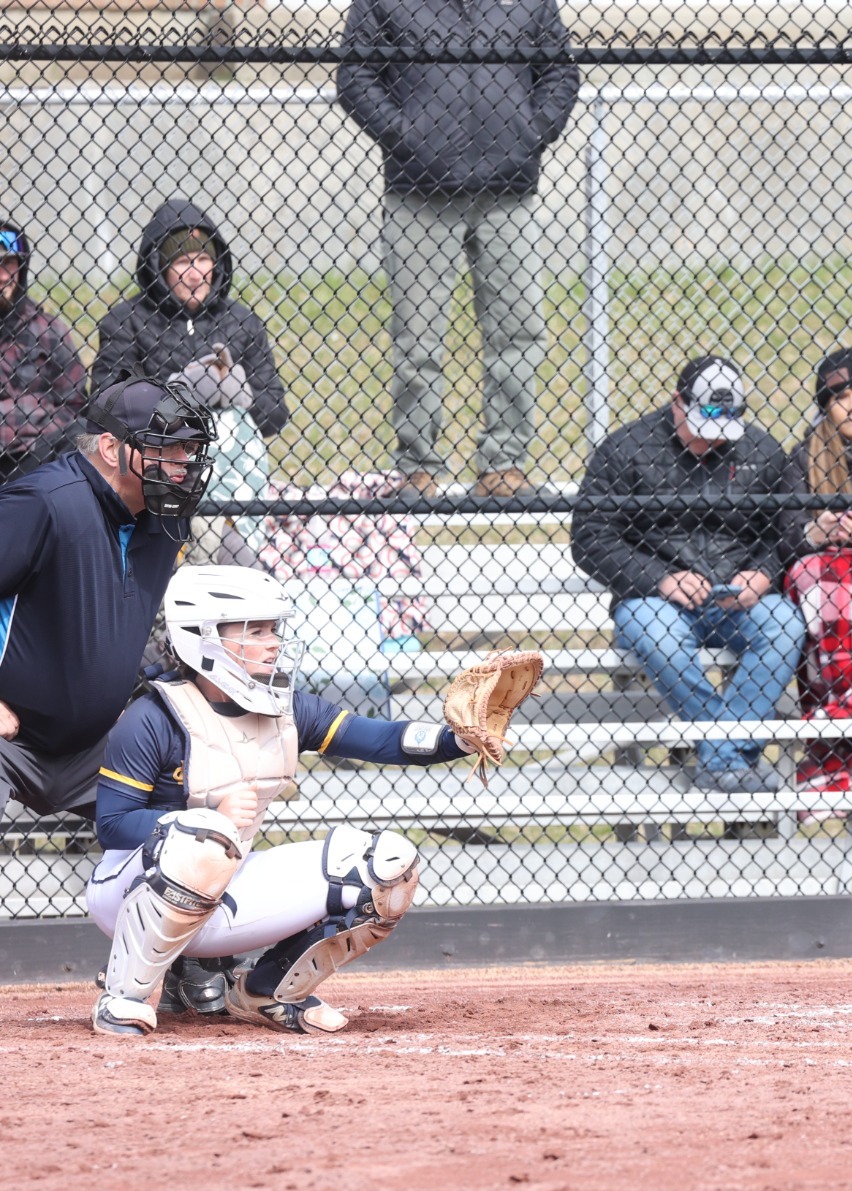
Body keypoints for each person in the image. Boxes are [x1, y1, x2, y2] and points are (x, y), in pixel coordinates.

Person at [86, 565, 480, 1037]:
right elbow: (111, 824)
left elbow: (378, 739)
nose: (272, 641)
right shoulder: (152, 716)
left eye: (273, 628)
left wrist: (459, 739)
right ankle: (123, 997)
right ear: (201, 637)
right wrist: (199, 819)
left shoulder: (284, 707)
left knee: (387, 865)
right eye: (255, 630)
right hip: (130, 891)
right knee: (201, 839)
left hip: (225, 890)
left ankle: (266, 990)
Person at [337, 0, 580, 499]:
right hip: (419, 191)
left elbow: (558, 73)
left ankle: (504, 464)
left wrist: (529, 134)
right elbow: (356, 77)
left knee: (518, 331)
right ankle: (418, 468)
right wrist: (408, 138)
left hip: (507, 191)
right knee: (417, 340)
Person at [572, 356, 806, 792]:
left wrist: (763, 575)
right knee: (657, 632)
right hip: (654, 601)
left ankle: (718, 756)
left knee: (786, 624)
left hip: (739, 598)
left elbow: (784, 535)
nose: (711, 441)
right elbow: (589, 539)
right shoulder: (625, 449)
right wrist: (660, 578)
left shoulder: (762, 451)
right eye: (701, 427)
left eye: (721, 432)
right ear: (678, 403)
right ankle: (728, 757)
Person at [0, 378, 215, 823]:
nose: (183, 463)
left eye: (189, 450)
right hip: (9, 746)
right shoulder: (44, 503)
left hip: (91, 748)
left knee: (197, 836)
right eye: (167, 448)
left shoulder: (167, 519)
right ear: (110, 447)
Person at [779, 349, 852, 795]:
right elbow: (786, 536)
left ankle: (843, 716)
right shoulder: (802, 455)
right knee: (827, 577)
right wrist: (816, 529)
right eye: (841, 397)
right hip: (822, 572)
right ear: (825, 406)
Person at [88, 200, 289, 441]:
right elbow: (104, 411)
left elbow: (276, 414)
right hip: (152, 462)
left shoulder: (243, 322)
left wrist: (242, 396)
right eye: (183, 262)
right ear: (159, 268)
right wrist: (180, 396)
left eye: (203, 259)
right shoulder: (125, 322)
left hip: (231, 457)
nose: (196, 275)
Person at [0, 219, 87, 487]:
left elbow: (76, 407)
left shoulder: (48, 331)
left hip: (35, 463)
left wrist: (19, 422)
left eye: (8, 264)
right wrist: (35, 411)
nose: (2, 275)